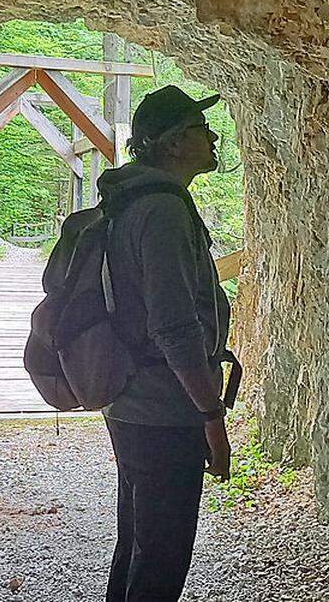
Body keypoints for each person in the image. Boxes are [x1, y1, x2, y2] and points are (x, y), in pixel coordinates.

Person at [95, 85, 233, 602]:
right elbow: (175, 329)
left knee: (137, 542)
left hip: (132, 396)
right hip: (163, 406)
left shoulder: (132, 200)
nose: (212, 137)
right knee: (161, 557)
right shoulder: (165, 213)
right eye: (200, 129)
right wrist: (210, 417)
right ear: (174, 144)